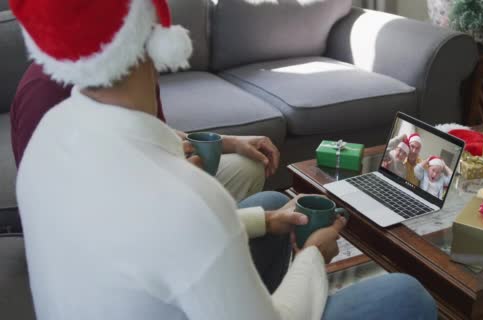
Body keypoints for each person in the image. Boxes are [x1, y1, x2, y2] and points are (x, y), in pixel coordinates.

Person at [12, 0, 437, 319]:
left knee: (271, 208)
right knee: (406, 295)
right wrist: (313, 257)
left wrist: (262, 223)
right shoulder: (185, 199)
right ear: (152, 37)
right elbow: (172, 227)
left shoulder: (49, 137)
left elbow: (135, 237)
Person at [10, 63, 276, 203]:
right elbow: (50, 202)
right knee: (271, 204)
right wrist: (170, 181)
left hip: (144, 186)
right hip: (98, 217)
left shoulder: (134, 66)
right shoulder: (43, 91)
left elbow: (154, 130)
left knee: (248, 166)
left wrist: (228, 143)